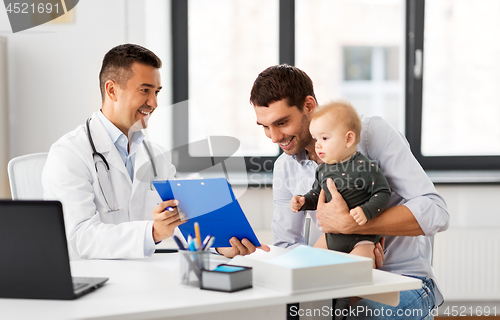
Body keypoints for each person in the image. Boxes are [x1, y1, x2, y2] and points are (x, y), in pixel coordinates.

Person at [250, 64, 449, 319]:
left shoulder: (368, 135)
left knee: (358, 316)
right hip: (336, 282)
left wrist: (352, 226)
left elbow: (436, 212)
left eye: (282, 122)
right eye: (264, 126)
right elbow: (287, 245)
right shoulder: (285, 167)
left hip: (404, 279)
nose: (274, 137)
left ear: (309, 106)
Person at [42, 44, 265, 260]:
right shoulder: (69, 154)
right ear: (112, 90)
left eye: (157, 92)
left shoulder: (155, 155)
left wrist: (218, 246)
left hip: (143, 276)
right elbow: (80, 237)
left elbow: (181, 220)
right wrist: (153, 232)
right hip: (95, 281)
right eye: (145, 90)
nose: (154, 102)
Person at [290, 101, 391, 265]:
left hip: (361, 239)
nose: (318, 145)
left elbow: (383, 192)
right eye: (316, 139)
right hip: (331, 237)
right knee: (310, 266)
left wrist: (366, 211)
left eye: (324, 138)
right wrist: (303, 201)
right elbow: (316, 195)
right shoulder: (323, 169)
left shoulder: (365, 167)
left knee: (357, 271)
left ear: (348, 139)